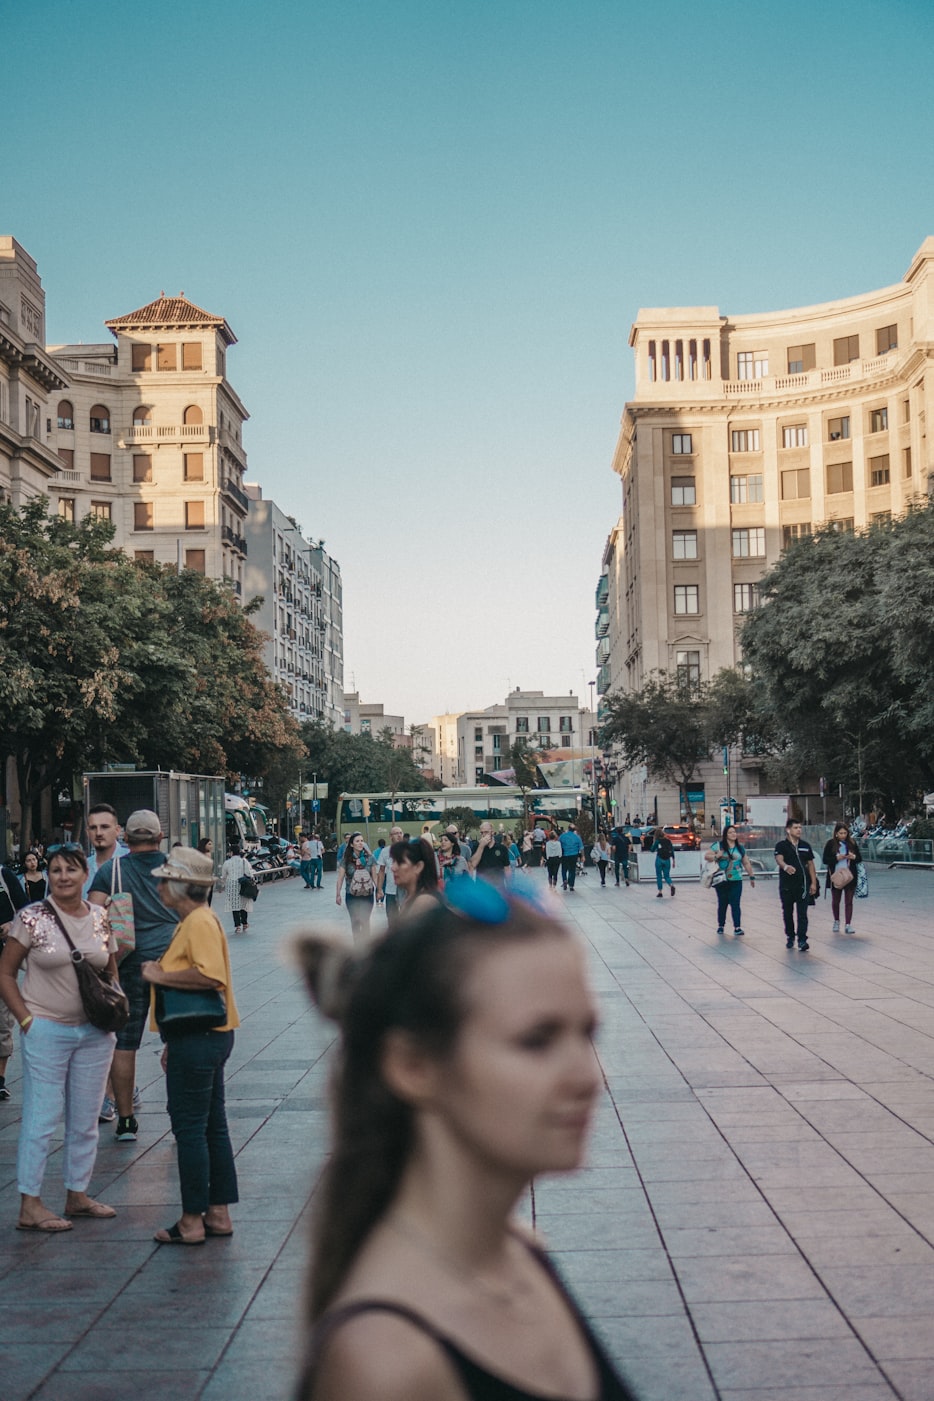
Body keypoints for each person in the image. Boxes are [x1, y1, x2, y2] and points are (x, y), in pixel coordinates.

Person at [293, 886, 638, 1401]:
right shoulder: (383, 1361)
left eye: (586, 1032)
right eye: (537, 1040)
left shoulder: (524, 1255)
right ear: (414, 1066)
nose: (589, 1077)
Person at [0, 844, 118, 1232]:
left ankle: (77, 1194)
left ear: (86, 875)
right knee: (41, 1117)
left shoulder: (101, 917)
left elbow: (110, 969)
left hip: (95, 1032)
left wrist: (114, 1010)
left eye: (71, 869)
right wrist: (27, 1020)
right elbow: (5, 973)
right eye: (56, 869)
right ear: (47, 875)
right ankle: (30, 1203)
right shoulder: (31, 918)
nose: (63, 876)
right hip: (47, 1029)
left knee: (85, 1118)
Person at [141, 847, 239, 1246]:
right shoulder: (198, 919)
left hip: (199, 1039)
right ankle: (217, 1213)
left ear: (181, 886)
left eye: (165, 880)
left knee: (190, 1129)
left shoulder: (197, 921)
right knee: (212, 1125)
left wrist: (158, 976)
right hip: (204, 1036)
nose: (159, 886)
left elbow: (208, 976)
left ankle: (191, 1220)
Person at [89, 810, 179, 1142]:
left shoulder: (111, 870)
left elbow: (93, 918)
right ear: (160, 837)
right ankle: (178, 1115)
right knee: (178, 1040)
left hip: (127, 965)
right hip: (173, 964)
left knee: (124, 1045)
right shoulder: (179, 868)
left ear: (125, 838)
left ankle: (126, 1120)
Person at [0, 859, 30, 1102]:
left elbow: (25, 910)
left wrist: (12, 924)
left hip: (3, 957)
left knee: (2, 1018)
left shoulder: (4, 875)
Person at [774, 818, 818, 951]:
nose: (799, 830)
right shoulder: (781, 845)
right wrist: (785, 866)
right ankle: (790, 936)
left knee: (802, 913)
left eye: (800, 828)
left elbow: (811, 864)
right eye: (795, 828)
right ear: (788, 830)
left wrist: (813, 883)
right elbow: (779, 859)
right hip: (787, 886)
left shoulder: (805, 845)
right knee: (787, 912)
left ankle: (802, 939)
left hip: (802, 885)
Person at [704, 824, 756, 936]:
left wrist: (751, 876)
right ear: (725, 835)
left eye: (734, 832)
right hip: (722, 880)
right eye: (730, 832)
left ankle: (737, 927)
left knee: (735, 903)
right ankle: (721, 925)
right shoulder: (719, 846)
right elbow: (707, 856)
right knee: (722, 903)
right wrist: (717, 856)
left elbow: (746, 862)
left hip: (736, 879)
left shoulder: (740, 848)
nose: (733, 834)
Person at [822, 823, 862, 935]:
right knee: (836, 900)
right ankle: (836, 921)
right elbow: (825, 859)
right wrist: (836, 858)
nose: (843, 835)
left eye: (845, 833)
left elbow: (859, 858)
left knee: (849, 901)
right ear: (836, 833)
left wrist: (853, 857)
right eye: (840, 833)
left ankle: (848, 924)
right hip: (836, 875)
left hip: (849, 875)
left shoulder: (852, 843)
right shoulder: (831, 844)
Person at [336, 833, 376, 944]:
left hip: (367, 895)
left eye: (362, 841)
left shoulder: (370, 858)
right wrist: (338, 894)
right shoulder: (346, 860)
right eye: (357, 841)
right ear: (352, 844)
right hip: (351, 894)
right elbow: (340, 878)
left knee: (365, 921)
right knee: (355, 921)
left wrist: (379, 890)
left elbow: (374, 876)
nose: (360, 843)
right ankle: (358, 946)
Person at [389, 838, 442, 920]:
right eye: (393, 861)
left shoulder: (424, 903)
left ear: (418, 867)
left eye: (400, 862)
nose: (393, 868)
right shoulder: (411, 897)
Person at [83, 803, 129, 897]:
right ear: (87, 832)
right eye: (93, 828)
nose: (98, 833)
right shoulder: (82, 868)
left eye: (104, 827)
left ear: (117, 830)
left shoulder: (130, 861)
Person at [221, 842, 255, 934]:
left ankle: (237, 926)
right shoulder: (244, 861)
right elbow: (249, 873)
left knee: (234, 905)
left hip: (232, 885)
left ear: (231, 852)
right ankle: (245, 923)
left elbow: (224, 875)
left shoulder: (227, 862)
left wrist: (223, 885)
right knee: (243, 904)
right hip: (243, 884)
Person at [375, 826, 405, 928]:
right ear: (390, 836)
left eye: (400, 833)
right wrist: (379, 889)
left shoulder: (409, 850)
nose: (399, 835)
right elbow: (381, 871)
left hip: (406, 890)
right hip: (391, 890)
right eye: (396, 833)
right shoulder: (385, 852)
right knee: (392, 919)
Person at [559, 823, 584, 892]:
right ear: (574, 830)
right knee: (572, 870)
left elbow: (558, 844)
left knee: (564, 869)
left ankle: (564, 879)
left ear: (568, 828)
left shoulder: (563, 836)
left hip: (565, 854)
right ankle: (571, 884)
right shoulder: (577, 837)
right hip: (574, 855)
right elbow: (581, 847)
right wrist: (583, 856)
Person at [652, 828, 676, 897]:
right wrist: (673, 860)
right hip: (667, 860)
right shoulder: (668, 841)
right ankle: (671, 885)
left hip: (659, 859)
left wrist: (654, 844)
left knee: (659, 876)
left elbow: (652, 850)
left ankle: (660, 892)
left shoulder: (657, 841)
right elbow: (672, 851)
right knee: (667, 876)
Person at [196, 837, 216, 907]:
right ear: (204, 845)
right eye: (209, 844)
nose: (211, 846)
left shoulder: (205, 854)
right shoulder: (205, 854)